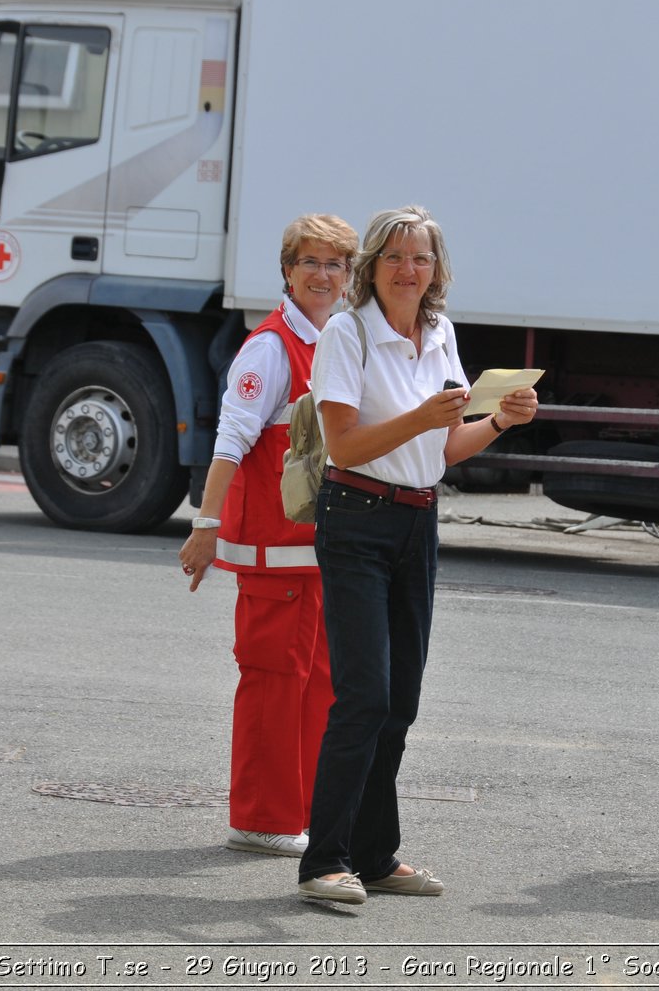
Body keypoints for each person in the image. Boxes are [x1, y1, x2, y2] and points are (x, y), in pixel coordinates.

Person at [294, 205, 539, 904]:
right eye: (396, 256)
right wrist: (424, 417)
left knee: (400, 702)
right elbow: (344, 445)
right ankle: (323, 860)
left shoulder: (439, 332)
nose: (409, 269)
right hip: (357, 518)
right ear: (371, 265)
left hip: (416, 522)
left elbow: (444, 447)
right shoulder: (348, 333)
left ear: (437, 271)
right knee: (364, 695)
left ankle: (374, 854)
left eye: (422, 258)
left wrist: (498, 420)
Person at [178, 214, 359, 858]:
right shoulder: (270, 347)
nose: (322, 274)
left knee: (319, 686)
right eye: (309, 262)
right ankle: (260, 817)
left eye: (335, 264)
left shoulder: (333, 338)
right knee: (274, 682)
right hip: (273, 556)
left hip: (316, 555)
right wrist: (206, 525)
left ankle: (302, 810)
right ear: (287, 270)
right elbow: (231, 440)